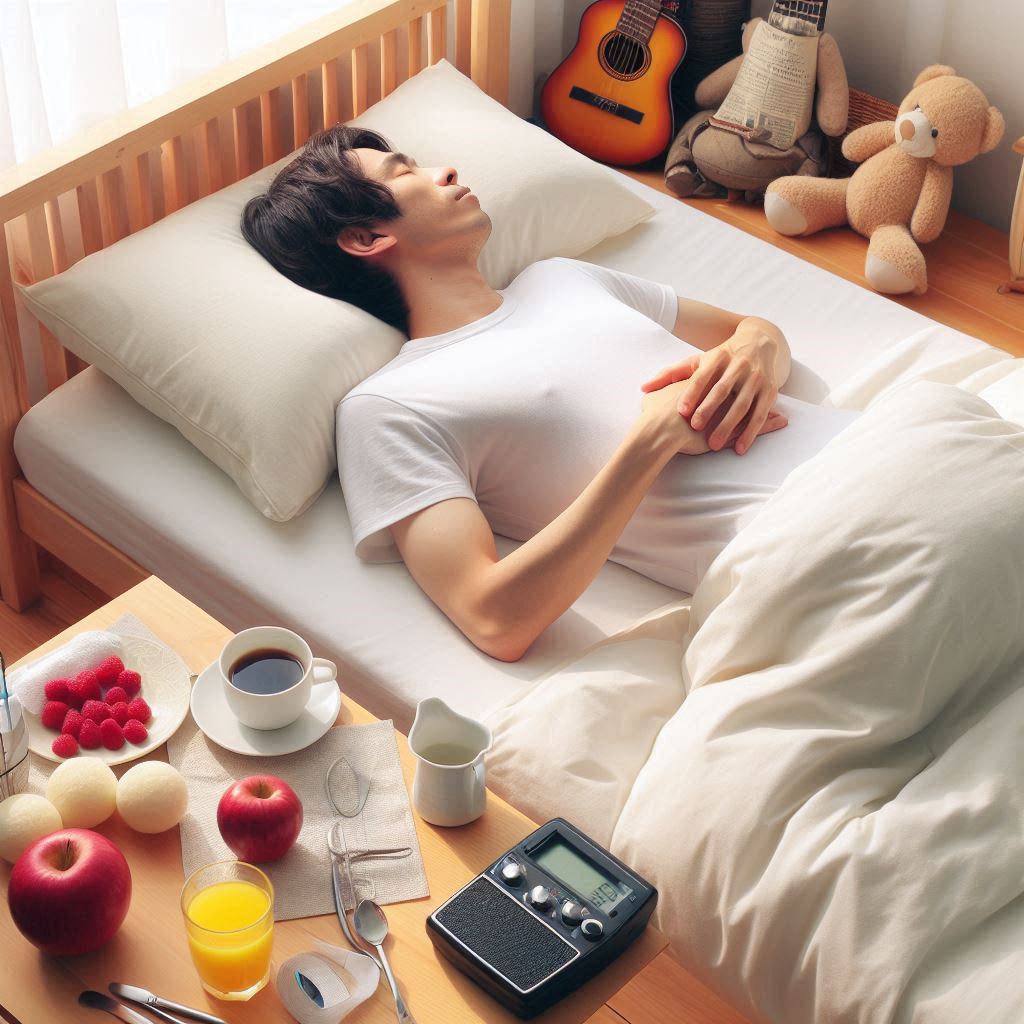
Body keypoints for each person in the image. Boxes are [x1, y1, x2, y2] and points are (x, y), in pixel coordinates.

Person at [242, 125, 860, 662]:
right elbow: (494, 618)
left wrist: (752, 350)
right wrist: (650, 441)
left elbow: (754, 332)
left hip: (878, 442)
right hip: (818, 545)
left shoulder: (561, 277)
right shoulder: (387, 407)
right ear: (364, 238)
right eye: (404, 172)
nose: (445, 170)